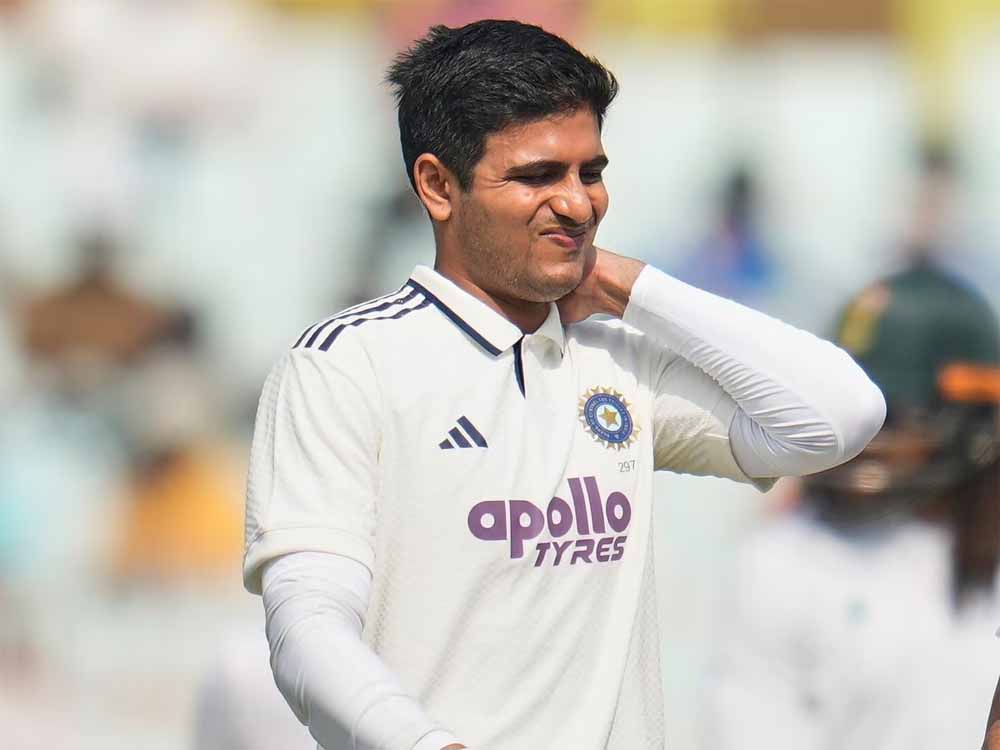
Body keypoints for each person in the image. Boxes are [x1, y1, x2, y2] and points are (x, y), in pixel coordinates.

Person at [243, 20, 885, 750]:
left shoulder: (619, 357)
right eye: (537, 176)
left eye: (590, 172)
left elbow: (841, 416)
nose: (579, 205)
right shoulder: (345, 365)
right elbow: (306, 625)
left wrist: (627, 284)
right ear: (437, 185)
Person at [701, 263, 1000, 750]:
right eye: (843, 414)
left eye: (889, 414)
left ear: (976, 415)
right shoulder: (782, 559)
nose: (856, 438)